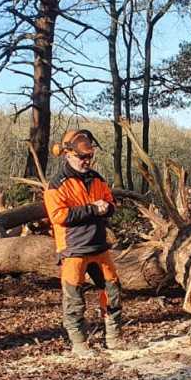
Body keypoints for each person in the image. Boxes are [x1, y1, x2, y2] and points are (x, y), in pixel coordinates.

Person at [44, 129, 123, 357]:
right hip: (73, 250)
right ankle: (79, 343)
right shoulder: (56, 185)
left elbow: (111, 203)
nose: (86, 161)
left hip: (99, 247)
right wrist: (92, 209)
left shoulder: (97, 179)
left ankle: (114, 338)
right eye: (82, 157)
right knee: (74, 299)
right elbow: (59, 216)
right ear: (67, 154)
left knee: (112, 291)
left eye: (89, 157)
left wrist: (107, 207)